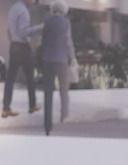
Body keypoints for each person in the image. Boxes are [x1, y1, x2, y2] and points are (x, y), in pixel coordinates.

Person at [37, 0, 74, 134]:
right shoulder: (66, 23)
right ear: (64, 10)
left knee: (48, 93)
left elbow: (43, 41)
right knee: (64, 89)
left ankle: (47, 125)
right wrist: (72, 58)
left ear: (53, 9)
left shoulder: (47, 21)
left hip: (48, 60)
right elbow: (68, 42)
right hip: (61, 60)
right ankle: (64, 114)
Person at [1, 0, 40, 119]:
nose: (34, 1)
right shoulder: (24, 11)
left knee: (10, 78)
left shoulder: (13, 8)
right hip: (23, 47)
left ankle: (6, 108)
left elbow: (8, 29)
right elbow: (24, 32)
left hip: (13, 46)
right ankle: (32, 105)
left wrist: (13, 40)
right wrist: (39, 28)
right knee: (30, 77)